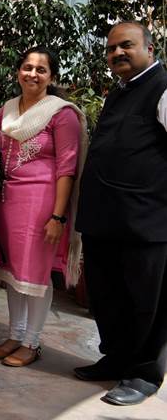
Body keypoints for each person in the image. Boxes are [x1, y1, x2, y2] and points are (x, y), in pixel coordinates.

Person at [74, 22, 167, 406]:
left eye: (126, 46)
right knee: (107, 296)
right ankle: (116, 358)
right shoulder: (118, 93)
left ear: (149, 46)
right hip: (104, 219)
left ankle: (144, 374)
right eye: (111, 49)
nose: (117, 54)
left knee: (146, 301)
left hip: (146, 220)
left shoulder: (163, 88)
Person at [0, 46, 85, 368]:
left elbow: (67, 168)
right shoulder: (7, 111)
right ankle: (15, 334)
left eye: (41, 69)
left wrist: (58, 216)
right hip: (8, 203)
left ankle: (32, 341)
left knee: (36, 276)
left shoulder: (61, 113)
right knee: (14, 275)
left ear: (51, 76)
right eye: (27, 67)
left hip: (42, 204)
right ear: (18, 71)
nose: (33, 73)